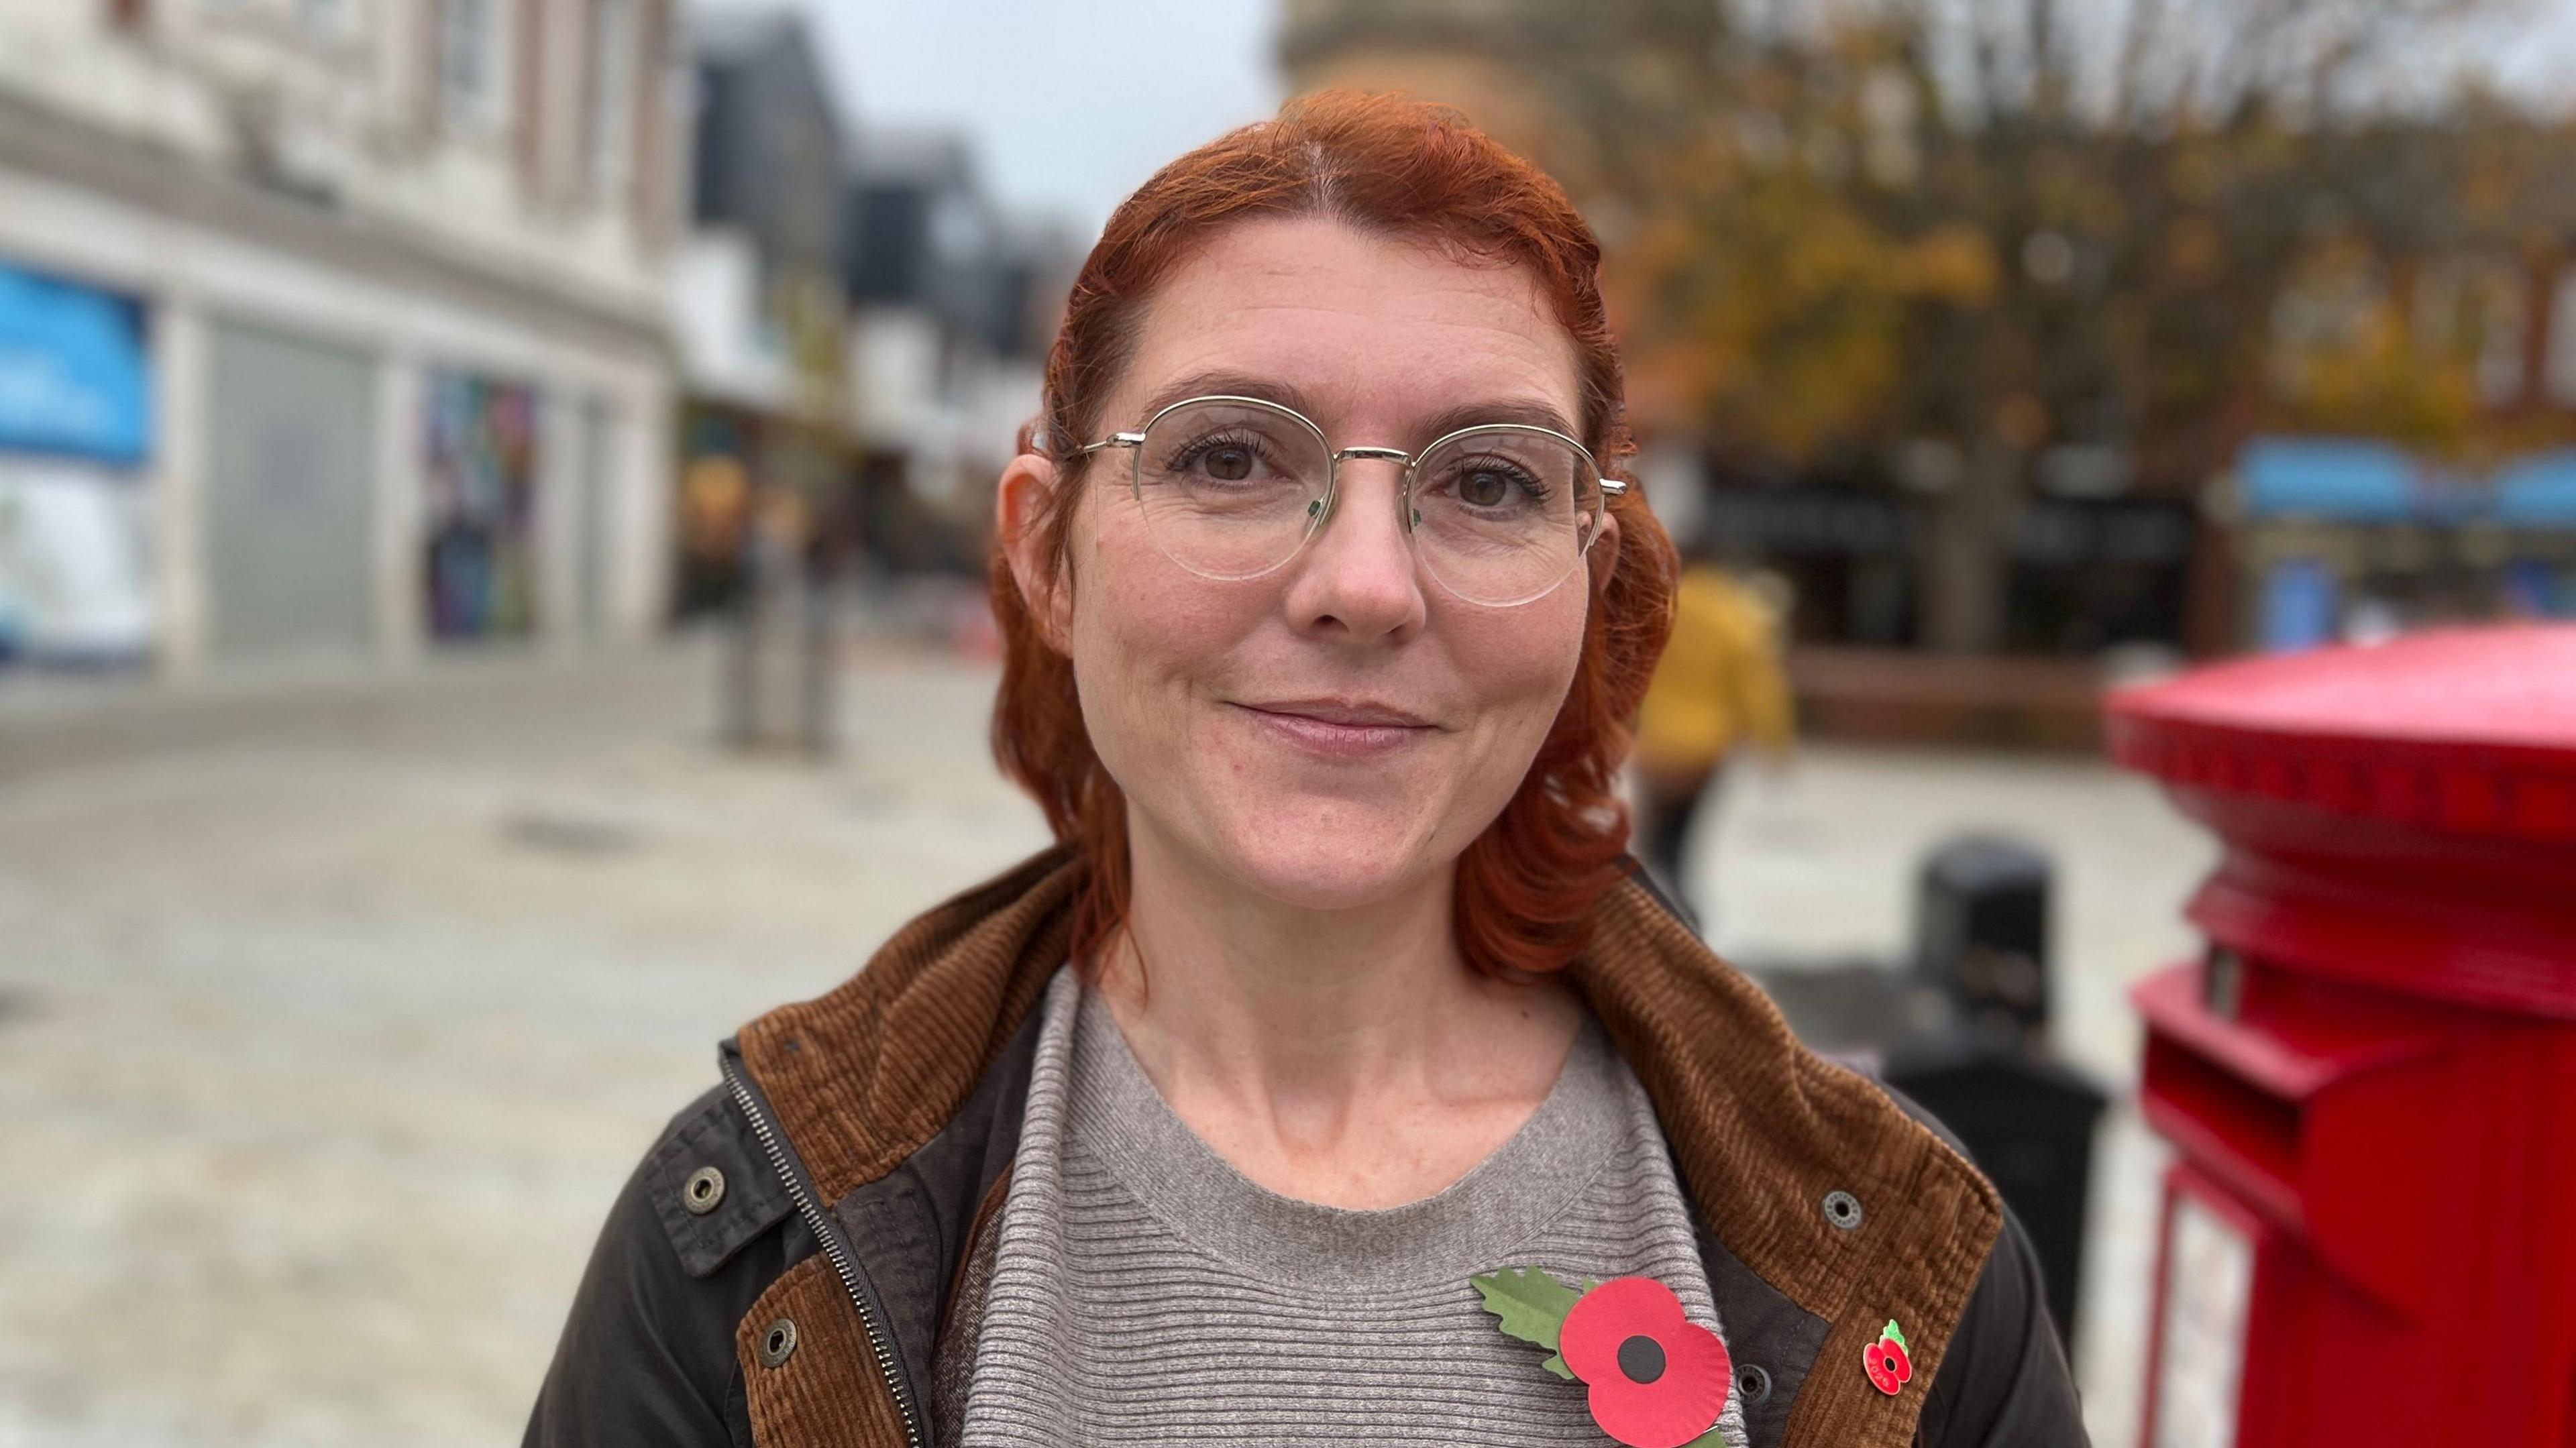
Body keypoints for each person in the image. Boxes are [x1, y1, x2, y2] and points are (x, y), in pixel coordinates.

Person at [524, 93, 2083, 1448]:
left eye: (1484, 480)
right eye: (1226, 457)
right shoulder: (743, 1240)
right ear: (1045, 554)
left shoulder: (1905, 1260)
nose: (1365, 583)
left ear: (1588, 580)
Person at [1631, 549, 1795, 915]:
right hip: (1704, 749)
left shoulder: (1663, 608)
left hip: (1655, 744)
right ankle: (1677, 912)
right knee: (1679, 837)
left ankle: (1655, 905)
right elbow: (1759, 689)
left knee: (1653, 836)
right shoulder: (1736, 616)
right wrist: (1773, 747)